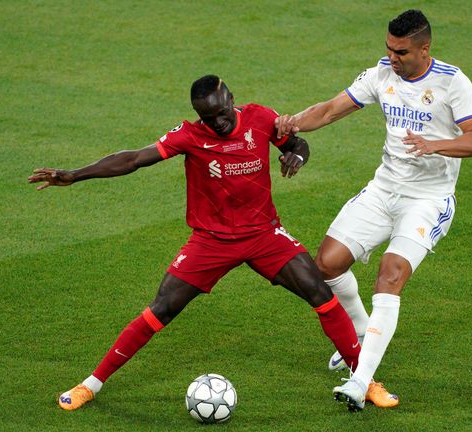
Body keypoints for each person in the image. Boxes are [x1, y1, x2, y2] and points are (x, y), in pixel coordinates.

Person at [29, 75, 361, 411]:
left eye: (221, 113)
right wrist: (75, 175)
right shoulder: (189, 135)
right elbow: (132, 160)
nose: (217, 123)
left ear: (231, 98)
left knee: (320, 293)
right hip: (211, 242)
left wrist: (297, 157)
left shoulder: (261, 118)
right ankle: (91, 385)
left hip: (263, 235)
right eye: (208, 118)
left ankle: (364, 380)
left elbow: (296, 144)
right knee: (161, 308)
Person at [275, 9, 472, 412]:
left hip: (428, 200)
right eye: (389, 49)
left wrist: (435, 145)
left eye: (402, 51)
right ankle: (359, 339)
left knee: (389, 277)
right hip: (384, 190)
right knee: (326, 265)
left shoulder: (451, 82)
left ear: (424, 49)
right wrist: (292, 124)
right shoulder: (381, 74)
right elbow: (330, 109)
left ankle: (360, 381)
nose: (393, 57)